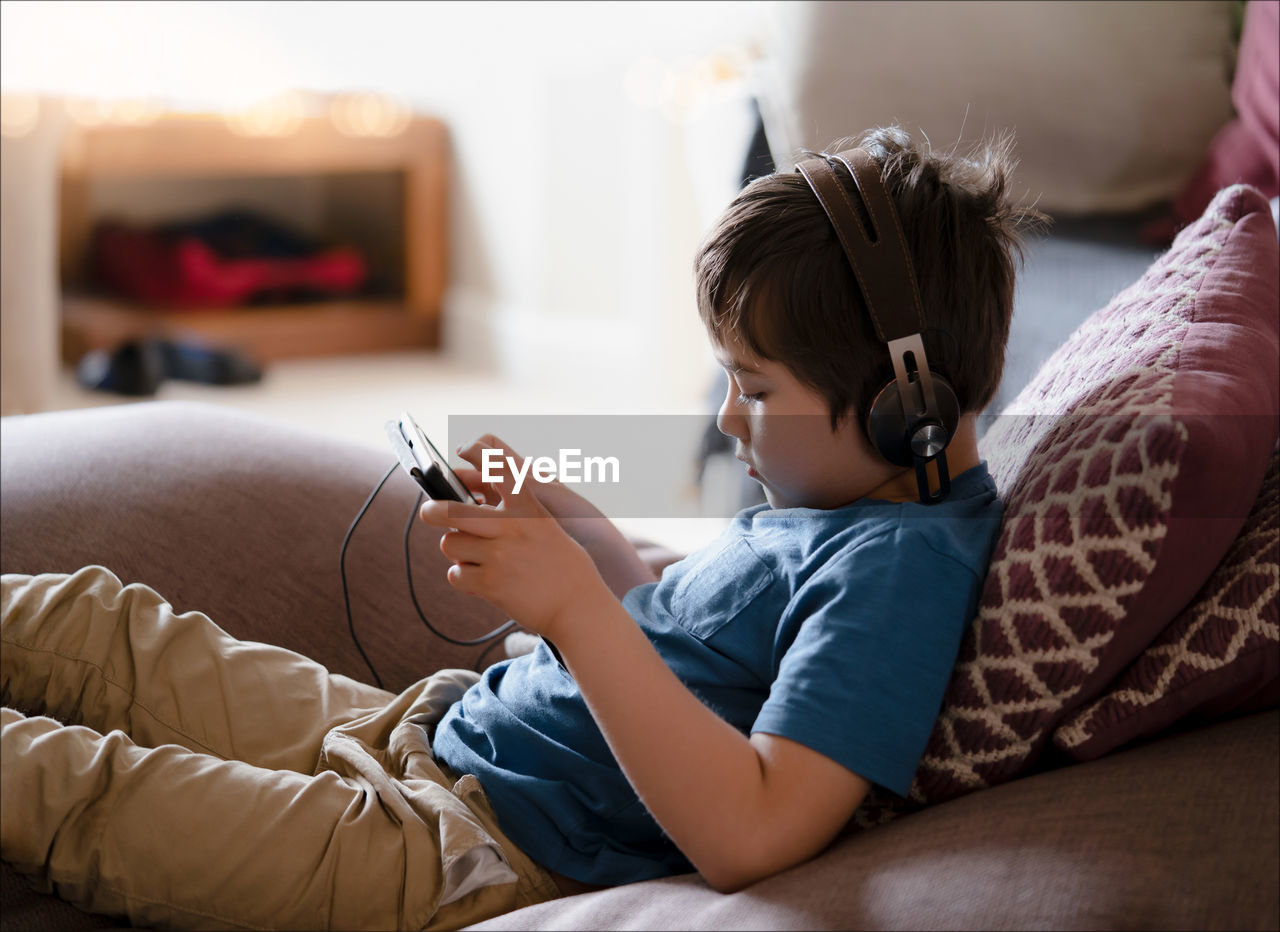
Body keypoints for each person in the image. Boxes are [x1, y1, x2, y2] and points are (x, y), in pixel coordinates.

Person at [1, 125, 1037, 929]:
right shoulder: (847, 497)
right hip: (424, 726)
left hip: (455, 846)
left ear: (908, 403)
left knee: (88, 790)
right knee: (103, 621)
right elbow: (688, 654)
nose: (727, 422)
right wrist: (575, 530)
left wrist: (574, 612)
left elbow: (753, 827)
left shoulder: (895, 574)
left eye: (755, 390)